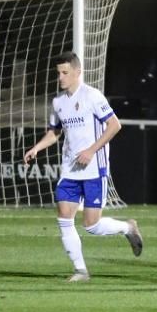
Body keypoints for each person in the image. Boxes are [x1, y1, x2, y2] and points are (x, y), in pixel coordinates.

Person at [22, 51, 142, 282]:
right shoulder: (58, 102)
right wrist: (37, 148)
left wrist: (91, 150)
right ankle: (81, 271)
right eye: (58, 73)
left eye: (65, 73)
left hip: (94, 168)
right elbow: (55, 132)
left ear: (78, 72)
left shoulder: (92, 96)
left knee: (91, 225)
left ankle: (128, 227)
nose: (61, 77)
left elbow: (114, 125)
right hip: (69, 169)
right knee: (64, 217)